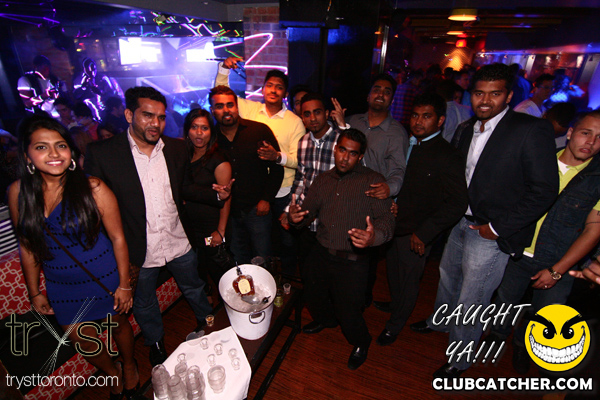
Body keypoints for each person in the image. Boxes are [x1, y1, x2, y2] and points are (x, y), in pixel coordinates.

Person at [410, 63, 559, 378]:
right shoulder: (466, 128)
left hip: (491, 230)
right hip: (459, 220)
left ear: (508, 96)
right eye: (479, 93)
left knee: (473, 297)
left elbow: (544, 191)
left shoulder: (530, 129)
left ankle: (460, 357)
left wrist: (497, 228)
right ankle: (441, 321)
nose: (486, 101)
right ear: (471, 94)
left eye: (495, 94)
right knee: (448, 277)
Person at [8, 116, 138, 399]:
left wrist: (124, 284)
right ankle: (112, 371)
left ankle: (129, 364)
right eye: (41, 147)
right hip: (61, 285)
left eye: (61, 145)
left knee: (117, 325)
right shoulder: (18, 193)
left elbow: (118, 238)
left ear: (71, 152)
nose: (54, 153)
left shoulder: (93, 188)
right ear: (27, 156)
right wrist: (34, 292)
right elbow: (27, 246)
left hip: (103, 275)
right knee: (81, 339)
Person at [85, 87, 212, 367]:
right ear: (129, 115)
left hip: (178, 239)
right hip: (137, 249)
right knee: (144, 302)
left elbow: (184, 188)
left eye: (161, 117)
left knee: (194, 286)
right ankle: (155, 342)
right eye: (147, 115)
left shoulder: (176, 148)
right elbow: (94, 211)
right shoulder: (104, 153)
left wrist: (215, 194)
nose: (156, 123)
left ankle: (209, 323)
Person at [487, 111, 600, 374]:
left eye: (599, 138)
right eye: (586, 133)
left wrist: (557, 270)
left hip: (560, 261)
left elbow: (593, 231)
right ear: (570, 133)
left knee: (545, 316)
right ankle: (496, 337)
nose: (591, 142)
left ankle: (521, 343)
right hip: (517, 253)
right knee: (505, 302)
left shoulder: (597, 179)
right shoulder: (538, 160)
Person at [289, 129, 395, 370]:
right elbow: (307, 213)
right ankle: (326, 321)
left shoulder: (372, 181)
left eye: (352, 153)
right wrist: (295, 218)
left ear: (360, 156)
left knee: (348, 311)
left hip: (352, 259)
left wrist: (374, 237)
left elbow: (387, 220)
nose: (345, 158)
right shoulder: (323, 180)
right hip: (321, 251)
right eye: (342, 150)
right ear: (335, 149)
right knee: (313, 296)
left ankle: (361, 342)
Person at [374, 94, 468, 346]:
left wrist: (425, 233)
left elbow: (457, 203)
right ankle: (396, 304)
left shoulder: (447, 155)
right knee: (394, 272)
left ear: (440, 121)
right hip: (394, 224)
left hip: (416, 233)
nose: (418, 121)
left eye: (426, 116)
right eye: (415, 115)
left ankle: (395, 325)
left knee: (408, 280)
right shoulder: (407, 143)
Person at [217, 58, 305, 275]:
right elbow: (223, 96)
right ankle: (252, 279)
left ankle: (285, 277)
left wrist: (277, 156)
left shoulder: (294, 121)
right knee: (255, 240)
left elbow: (299, 159)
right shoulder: (250, 109)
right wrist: (224, 69)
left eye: (279, 87)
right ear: (263, 89)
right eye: (269, 85)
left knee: (285, 240)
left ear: (285, 93)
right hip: (253, 192)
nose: (273, 90)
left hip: (282, 190)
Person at [333, 73, 409, 307]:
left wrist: (389, 189)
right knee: (339, 254)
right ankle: (338, 299)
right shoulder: (353, 121)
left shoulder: (396, 132)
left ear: (392, 99)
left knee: (365, 262)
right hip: (344, 199)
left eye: (387, 92)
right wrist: (339, 125)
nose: (381, 94)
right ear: (368, 95)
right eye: (377, 89)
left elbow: (398, 171)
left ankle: (360, 304)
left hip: (372, 203)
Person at [208, 85, 283, 265]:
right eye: (219, 106)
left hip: (257, 209)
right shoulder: (211, 138)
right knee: (237, 260)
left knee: (262, 258)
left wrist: (266, 199)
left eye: (230, 105)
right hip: (227, 213)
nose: (226, 110)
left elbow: (276, 167)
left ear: (237, 106)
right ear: (212, 110)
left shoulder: (259, 131)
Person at [287, 92, 340, 274]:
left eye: (317, 112)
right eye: (307, 114)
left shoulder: (341, 141)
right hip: (307, 220)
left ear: (326, 113)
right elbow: (301, 178)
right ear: (302, 118)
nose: (313, 118)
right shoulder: (303, 142)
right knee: (308, 271)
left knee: (331, 274)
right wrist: (290, 208)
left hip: (332, 222)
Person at [181, 108, 233, 291]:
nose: (199, 133)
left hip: (211, 229)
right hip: (190, 227)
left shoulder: (219, 161)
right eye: (194, 127)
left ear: (211, 131)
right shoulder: (184, 155)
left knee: (218, 267)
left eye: (204, 128)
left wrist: (220, 231)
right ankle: (207, 298)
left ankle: (232, 301)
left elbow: (226, 198)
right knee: (198, 266)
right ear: (187, 130)